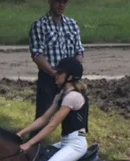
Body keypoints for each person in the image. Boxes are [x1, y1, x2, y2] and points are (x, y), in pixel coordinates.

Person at [28, 0, 86, 132]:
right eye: (58, 2)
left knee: (72, 117)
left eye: (64, 2)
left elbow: (79, 51)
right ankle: (34, 147)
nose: (61, 5)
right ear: (50, 2)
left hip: (70, 80)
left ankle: (70, 145)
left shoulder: (72, 25)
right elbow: (37, 54)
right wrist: (55, 73)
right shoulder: (40, 25)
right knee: (43, 115)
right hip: (49, 78)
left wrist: (73, 72)